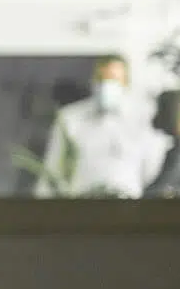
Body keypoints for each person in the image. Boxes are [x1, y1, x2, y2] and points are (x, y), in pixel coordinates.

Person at [37, 55, 171, 198]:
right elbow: (52, 168)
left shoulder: (145, 118)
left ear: (125, 83)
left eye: (113, 79)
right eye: (101, 79)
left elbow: (154, 170)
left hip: (129, 205)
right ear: (93, 81)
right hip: (82, 204)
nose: (106, 85)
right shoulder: (70, 117)